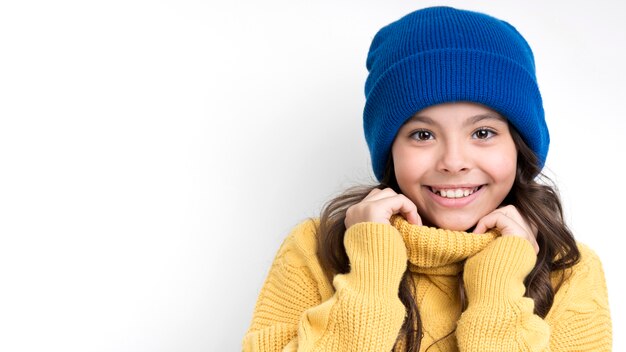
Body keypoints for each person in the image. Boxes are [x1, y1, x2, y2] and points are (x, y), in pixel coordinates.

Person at [242, 6, 612, 351]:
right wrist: (372, 271)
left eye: (482, 133)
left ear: (519, 147)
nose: (453, 162)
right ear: (391, 150)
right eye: (423, 134)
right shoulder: (316, 248)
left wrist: (499, 283)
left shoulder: (570, 271)